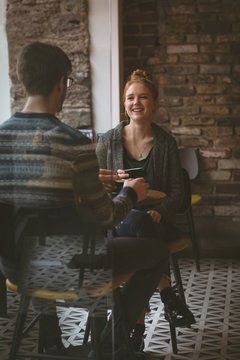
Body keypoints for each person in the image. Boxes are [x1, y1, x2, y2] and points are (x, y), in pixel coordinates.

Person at [0, 42, 171, 360]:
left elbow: (27, 200)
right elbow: (107, 217)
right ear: (62, 83)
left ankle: (52, 342)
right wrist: (131, 192)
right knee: (157, 251)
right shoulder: (74, 142)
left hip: (14, 268)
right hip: (73, 270)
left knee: (39, 241)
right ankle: (109, 345)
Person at [96, 69, 196, 350]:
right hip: (119, 218)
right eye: (130, 97)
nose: (135, 102)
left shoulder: (165, 143)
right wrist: (115, 185)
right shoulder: (108, 141)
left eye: (143, 97)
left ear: (154, 103)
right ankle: (167, 292)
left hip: (156, 220)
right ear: (124, 104)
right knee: (138, 221)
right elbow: (98, 189)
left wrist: (161, 210)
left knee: (143, 223)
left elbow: (177, 192)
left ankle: (133, 330)